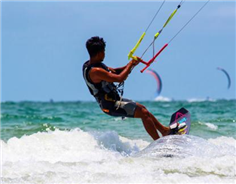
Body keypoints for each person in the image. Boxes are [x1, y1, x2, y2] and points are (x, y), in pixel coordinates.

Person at [83, 36, 171, 140]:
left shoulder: (91, 64)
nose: (105, 53)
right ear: (99, 53)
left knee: (143, 109)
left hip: (113, 100)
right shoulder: (95, 71)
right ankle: (159, 143)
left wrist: (132, 64)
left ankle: (164, 131)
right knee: (143, 113)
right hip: (110, 105)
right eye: (104, 51)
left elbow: (115, 71)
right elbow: (120, 78)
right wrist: (129, 65)